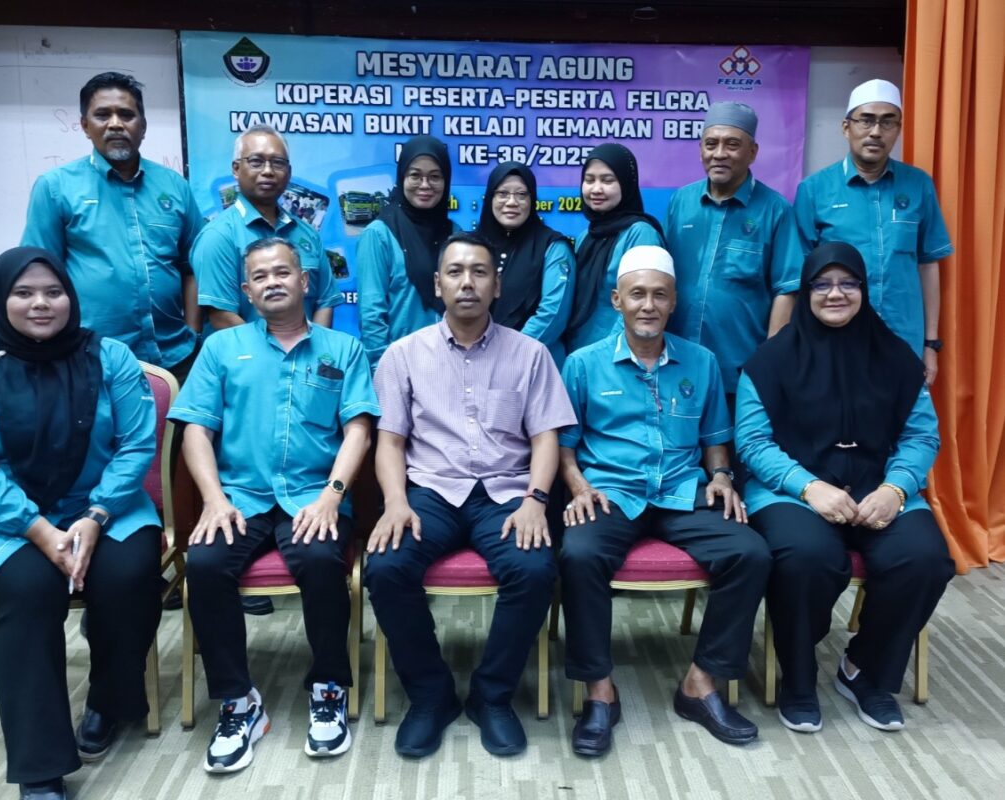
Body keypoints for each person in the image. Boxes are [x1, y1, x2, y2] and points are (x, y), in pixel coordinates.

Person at [0, 247, 163, 800]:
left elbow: (135, 446)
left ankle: (108, 701)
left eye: (53, 292)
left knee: (129, 575)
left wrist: (96, 516)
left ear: (71, 297)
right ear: (0, 298)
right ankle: (40, 767)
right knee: (31, 593)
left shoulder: (110, 357)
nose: (41, 304)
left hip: (104, 506)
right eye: (24, 293)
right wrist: (39, 530)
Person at [170, 237, 379, 773]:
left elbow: (358, 429)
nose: (272, 283)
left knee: (321, 559)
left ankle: (329, 688)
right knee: (206, 564)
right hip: (240, 497)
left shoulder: (343, 349)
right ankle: (239, 701)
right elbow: (196, 430)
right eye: (260, 277)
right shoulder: (221, 348)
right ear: (246, 291)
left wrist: (333, 496)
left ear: (305, 281)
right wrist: (213, 500)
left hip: (314, 496)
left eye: (282, 272)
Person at [365, 232, 576, 759]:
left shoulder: (530, 354)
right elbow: (390, 441)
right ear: (437, 285)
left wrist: (536, 500)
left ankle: (492, 696)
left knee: (534, 569)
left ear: (496, 286)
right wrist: (395, 502)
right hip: (431, 492)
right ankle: (430, 695)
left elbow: (545, 437)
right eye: (455, 272)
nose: (467, 282)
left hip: (506, 492)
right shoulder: (402, 355)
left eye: (479, 272)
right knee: (386, 567)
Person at [558, 245, 771, 755]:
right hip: (611, 492)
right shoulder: (583, 364)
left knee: (750, 553)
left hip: (681, 490)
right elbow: (562, 446)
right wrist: (579, 487)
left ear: (674, 301)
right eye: (637, 294)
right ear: (617, 300)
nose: (648, 305)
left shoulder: (702, 361)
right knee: (579, 555)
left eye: (659, 295)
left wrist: (721, 476)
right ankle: (600, 693)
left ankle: (701, 683)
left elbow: (715, 438)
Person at [736, 241, 954, 734]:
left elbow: (922, 435)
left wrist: (896, 489)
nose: (836, 294)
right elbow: (751, 441)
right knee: (805, 557)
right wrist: (809, 487)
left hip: (879, 488)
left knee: (924, 559)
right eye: (823, 284)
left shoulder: (896, 356)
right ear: (806, 290)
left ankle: (864, 669)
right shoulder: (769, 361)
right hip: (792, 493)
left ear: (863, 289)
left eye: (848, 283)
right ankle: (798, 677)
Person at [22, 72, 203, 383]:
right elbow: (39, 276)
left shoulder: (174, 186)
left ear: (143, 126)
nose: (116, 124)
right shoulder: (55, 188)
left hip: (176, 358)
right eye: (103, 115)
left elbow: (195, 267)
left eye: (127, 115)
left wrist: (193, 331)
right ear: (85, 125)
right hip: (92, 360)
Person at [793, 79, 953, 386]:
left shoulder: (918, 185)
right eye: (866, 120)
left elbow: (928, 264)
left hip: (903, 337)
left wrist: (930, 344)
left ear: (898, 129)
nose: (876, 132)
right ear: (846, 127)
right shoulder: (814, 190)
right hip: (835, 339)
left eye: (887, 122)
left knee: (901, 415)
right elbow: (800, 276)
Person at [665, 101, 802, 400]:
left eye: (732, 144)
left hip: (739, 372)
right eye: (711, 144)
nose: (719, 154)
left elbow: (787, 290)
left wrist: (769, 362)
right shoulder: (681, 202)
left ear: (752, 152)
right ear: (700, 149)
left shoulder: (775, 210)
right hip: (675, 364)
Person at [191, 124, 342, 332]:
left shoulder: (308, 235)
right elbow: (222, 317)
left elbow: (325, 303)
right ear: (236, 169)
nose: (268, 171)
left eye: (278, 163)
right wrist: (280, 351)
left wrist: (310, 348)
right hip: (245, 354)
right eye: (256, 161)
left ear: (289, 172)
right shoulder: (217, 236)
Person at [357, 134, 457, 370]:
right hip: (401, 368)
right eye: (415, 175)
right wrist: (383, 373)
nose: (425, 185)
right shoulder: (379, 234)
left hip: (450, 367)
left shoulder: (455, 234)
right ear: (402, 177)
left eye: (435, 176)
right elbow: (372, 316)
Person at [563, 143, 666, 354]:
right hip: (578, 354)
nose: (596, 189)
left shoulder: (641, 234)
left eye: (607, 180)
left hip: (617, 356)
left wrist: (606, 354)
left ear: (626, 184)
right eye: (589, 180)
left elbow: (641, 306)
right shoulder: (587, 237)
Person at [475, 161, 575, 368]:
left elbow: (552, 313)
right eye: (502, 194)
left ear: (532, 200)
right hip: (477, 361)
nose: (512, 202)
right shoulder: (473, 245)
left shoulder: (553, 247)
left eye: (521, 194)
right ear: (490, 197)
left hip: (535, 364)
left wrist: (508, 353)